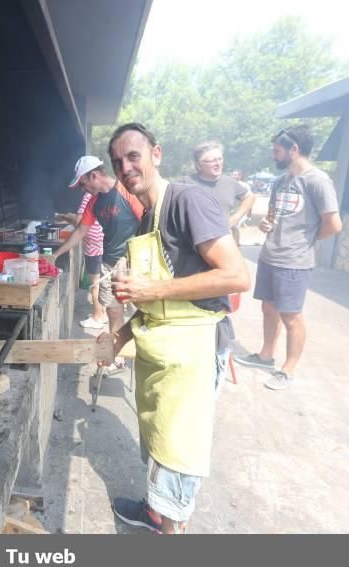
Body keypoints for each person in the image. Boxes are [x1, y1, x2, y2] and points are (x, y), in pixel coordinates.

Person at [101, 124, 250, 534]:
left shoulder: (189, 201)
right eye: (118, 162)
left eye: (134, 156)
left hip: (194, 353)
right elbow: (154, 306)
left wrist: (151, 287)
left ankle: (171, 532)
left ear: (156, 154)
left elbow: (236, 276)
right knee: (158, 443)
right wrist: (120, 336)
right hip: (162, 349)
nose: (126, 167)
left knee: (177, 457)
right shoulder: (146, 216)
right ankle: (154, 513)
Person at [234, 125, 342, 390]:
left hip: (294, 261)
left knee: (291, 316)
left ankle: (288, 369)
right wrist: (267, 226)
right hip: (270, 255)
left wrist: (307, 240)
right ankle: (265, 356)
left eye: (277, 150)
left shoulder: (317, 181)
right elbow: (273, 215)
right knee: (268, 308)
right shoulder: (281, 182)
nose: (274, 155)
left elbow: (333, 224)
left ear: (294, 149)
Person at [53, 156, 144, 370]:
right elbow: (81, 230)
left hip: (135, 263)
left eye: (83, 184)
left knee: (144, 311)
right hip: (109, 262)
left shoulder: (127, 191)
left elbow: (147, 224)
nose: (83, 190)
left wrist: (130, 256)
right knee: (113, 311)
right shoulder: (94, 202)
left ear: (94, 175)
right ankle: (116, 354)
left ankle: (146, 357)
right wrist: (56, 254)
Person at [176, 142, 255, 245]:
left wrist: (235, 218)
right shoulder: (184, 183)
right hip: (192, 247)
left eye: (220, 159)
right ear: (198, 165)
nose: (218, 164)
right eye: (212, 161)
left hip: (224, 244)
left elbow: (250, 197)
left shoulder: (229, 182)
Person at [54, 191, 106, 328]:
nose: (81, 187)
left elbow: (79, 221)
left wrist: (64, 217)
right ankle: (102, 312)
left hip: (94, 247)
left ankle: (97, 317)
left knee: (95, 283)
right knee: (101, 281)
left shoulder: (88, 195)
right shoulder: (100, 194)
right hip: (101, 242)